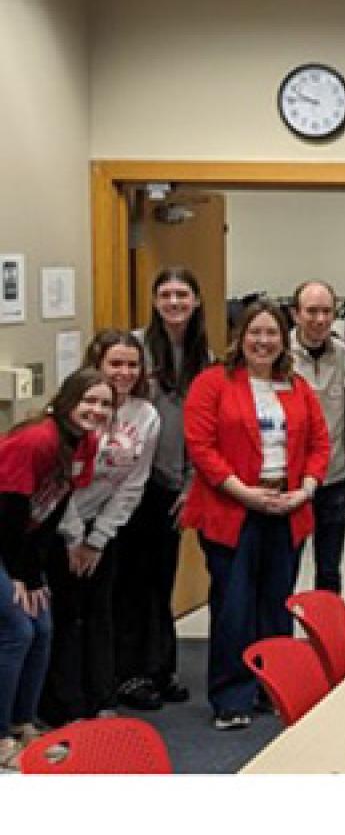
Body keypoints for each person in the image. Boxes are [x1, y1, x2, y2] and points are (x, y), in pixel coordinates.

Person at [182, 301, 330, 731]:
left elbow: (320, 445)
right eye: (255, 333)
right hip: (232, 510)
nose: (263, 342)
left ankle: (273, 686)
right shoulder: (213, 383)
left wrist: (304, 491)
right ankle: (232, 696)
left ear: (284, 340)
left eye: (272, 334)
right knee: (235, 605)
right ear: (240, 336)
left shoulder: (296, 386)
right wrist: (245, 494)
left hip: (287, 508)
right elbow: (202, 447)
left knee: (275, 603)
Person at [42, 332, 158, 727]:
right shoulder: (79, 410)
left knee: (101, 612)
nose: (124, 372)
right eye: (115, 364)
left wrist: (98, 538)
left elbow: (134, 483)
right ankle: (64, 706)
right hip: (59, 523)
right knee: (65, 614)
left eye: (132, 364)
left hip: (103, 528)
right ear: (98, 364)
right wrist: (75, 537)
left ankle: (101, 698)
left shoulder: (146, 416)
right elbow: (60, 483)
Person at [0, 370, 109, 767]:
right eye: (89, 401)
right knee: (16, 628)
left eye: (105, 404)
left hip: (20, 544)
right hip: (3, 538)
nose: (96, 410)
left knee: (43, 627)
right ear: (67, 401)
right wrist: (20, 576)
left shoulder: (86, 443)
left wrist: (34, 574)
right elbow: (9, 514)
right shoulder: (37, 440)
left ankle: (22, 724)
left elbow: (52, 510)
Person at [116, 266, 209, 712]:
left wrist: (192, 483)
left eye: (182, 295)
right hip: (132, 484)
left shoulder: (201, 354)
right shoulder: (135, 349)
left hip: (175, 484)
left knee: (161, 581)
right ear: (154, 301)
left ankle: (160, 668)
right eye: (166, 294)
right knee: (133, 583)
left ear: (196, 301)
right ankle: (131, 674)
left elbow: (201, 425)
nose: (174, 303)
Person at [288, 280, 345, 594]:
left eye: (326, 312)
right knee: (286, 566)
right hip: (289, 480)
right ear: (295, 314)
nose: (319, 320)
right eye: (311, 311)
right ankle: (280, 640)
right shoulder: (278, 356)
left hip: (333, 476)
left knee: (329, 569)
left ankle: (327, 639)